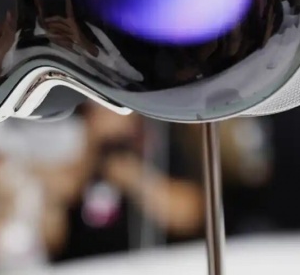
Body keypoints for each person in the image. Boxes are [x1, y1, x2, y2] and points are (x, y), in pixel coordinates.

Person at [53, 103, 204, 262]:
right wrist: (92, 145)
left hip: (157, 261)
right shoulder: (71, 144)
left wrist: (135, 178)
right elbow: (53, 236)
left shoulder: (160, 142)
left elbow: (191, 215)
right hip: (85, 264)